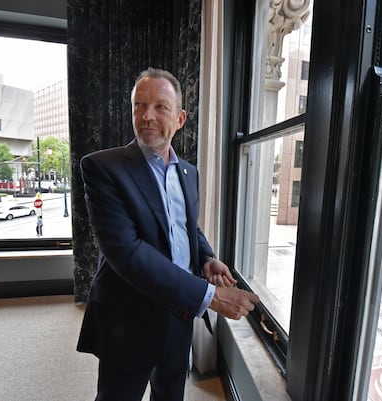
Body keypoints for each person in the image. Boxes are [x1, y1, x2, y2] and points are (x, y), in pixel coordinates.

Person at [76, 68, 260, 401]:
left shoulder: (189, 172)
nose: (147, 116)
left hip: (178, 310)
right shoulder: (103, 168)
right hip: (128, 316)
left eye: (161, 107)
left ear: (180, 118)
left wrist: (206, 256)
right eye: (139, 105)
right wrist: (210, 296)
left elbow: (185, 225)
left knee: (170, 393)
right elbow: (126, 251)